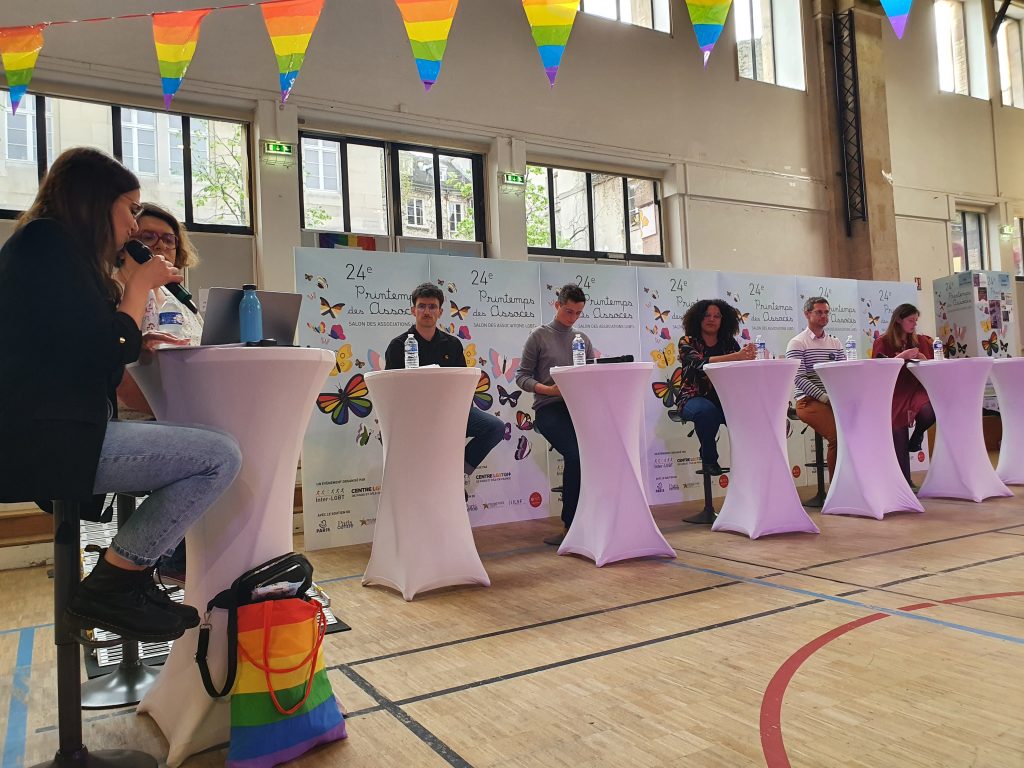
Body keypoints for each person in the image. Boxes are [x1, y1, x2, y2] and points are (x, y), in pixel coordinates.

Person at [0, 147, 242, 643]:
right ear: (95, 201)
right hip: (48, 440)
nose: (134, 225)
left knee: (209, 451)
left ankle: (123, 579)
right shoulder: (47, 244)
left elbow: (94, 354)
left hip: (59, 432)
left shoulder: (50, 249)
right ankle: (117, 582)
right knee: (219, 456)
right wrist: (137, 288)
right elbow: (106, 348)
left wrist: (135, 331)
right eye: (130, 210)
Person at [114, 203, 206, 581]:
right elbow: (116, 370)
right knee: (211, 450)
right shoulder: (113, 290)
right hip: (131, 413)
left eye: (169, 240)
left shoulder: (178, 300)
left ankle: (215, 555)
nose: (160, 246)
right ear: (127, 244)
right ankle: (164, 559)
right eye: (148, 237)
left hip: (181, 409)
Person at [384, 283, 504, 486]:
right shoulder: (398, 345)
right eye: (422, 306)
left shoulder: (452, 344)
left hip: (450, 411)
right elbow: (391, 390)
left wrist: (459, 410)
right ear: (413, 310)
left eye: (432, 307)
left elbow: (463, 384)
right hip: (415, 416)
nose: (427, 312)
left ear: (440, 312)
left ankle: (457, 473)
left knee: (495, 428)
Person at [515, 284, 593, 546]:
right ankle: (570, 525)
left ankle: (593, 518)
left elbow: (589, 374)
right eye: (568, 311)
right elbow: (521, 377)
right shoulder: (539, 336)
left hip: (578, 407)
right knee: (575, 454)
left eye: (578, 313)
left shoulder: (582, 339)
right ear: (557, 305)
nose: (573, 318)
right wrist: (547, 389)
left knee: (596, 453)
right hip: (548, 408)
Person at [677, 299, 757, 475]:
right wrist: (737, 356)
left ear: (723, 320)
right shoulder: (687, 341)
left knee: (749, 413)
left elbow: (739, 370)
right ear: (698, 318)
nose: (711, 319)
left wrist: (747, 357)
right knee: (706, 411)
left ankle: (750, 463)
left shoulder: (729, 343)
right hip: (692, 398)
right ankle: (709, 459)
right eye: (707, 315)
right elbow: (699, 364)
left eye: (717, 316)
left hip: (724, 398)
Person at [872, 303, 936, 485]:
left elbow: (932, 366)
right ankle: (905, 482)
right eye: (911, 320)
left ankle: (916, 436)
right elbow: (878, 369)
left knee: (929, 412)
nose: (914, 324)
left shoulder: (921, 341)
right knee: (898, 432)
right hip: (895, 390)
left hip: (916, 387)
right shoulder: (882, 342)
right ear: (899, 320)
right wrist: (902, 356)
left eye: (916, 321)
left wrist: (923, 359)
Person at [786, 297, 845, 480]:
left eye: (826, 312)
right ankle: (837, 488)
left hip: (833, 399)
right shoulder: (797, 343)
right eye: (819, 312)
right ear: (807, 314)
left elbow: (844, 373)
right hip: (808, 401)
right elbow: (798, 378)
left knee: (857, 431)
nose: (824, 316)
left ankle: (854, 483)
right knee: (837, 437)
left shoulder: (835, 342)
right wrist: (825, 398)